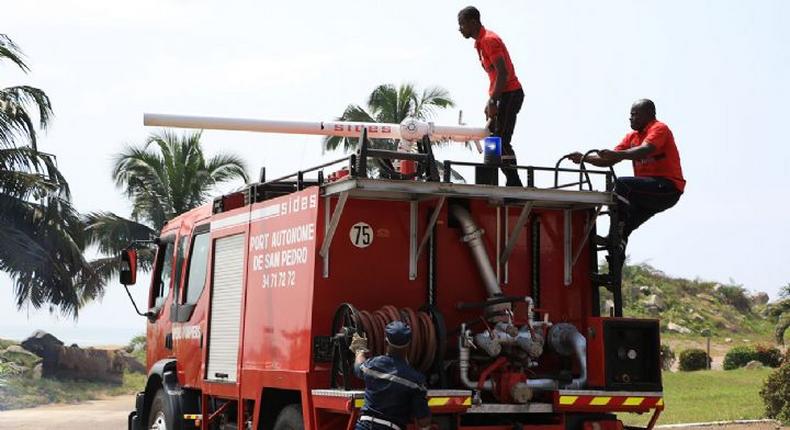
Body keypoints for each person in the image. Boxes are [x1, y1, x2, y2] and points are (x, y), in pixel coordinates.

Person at [568, 99, 685, 259]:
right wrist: (584, 158)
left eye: (635, 114)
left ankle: (614, 232)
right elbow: (609, 160)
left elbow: (645, 150)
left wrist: (618, 155)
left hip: (667, 188)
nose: (631, 118)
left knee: (623, 184)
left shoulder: (659, 129)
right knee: (625, 228)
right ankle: (616, 257)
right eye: (630, 115)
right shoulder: (632, 137)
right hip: (645, 194)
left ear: (649, 115)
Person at [458, 6, 524, 186]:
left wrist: (494, 100)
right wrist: (491, 100)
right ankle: (492, 178)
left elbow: (503, 73)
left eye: (462, 24)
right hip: (501, 94)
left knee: (500, 138)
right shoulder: (479, 43)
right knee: (492, 138)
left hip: (510, 93)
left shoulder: (489, 40)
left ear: (473, 22)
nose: (460, 29)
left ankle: (514, 183)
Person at [349, 321, 431, 430]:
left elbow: (358, 368)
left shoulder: (372, 366)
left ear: (386, 341)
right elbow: (423, 421)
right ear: (409, 343)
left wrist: (359, 349)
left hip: (364, 426)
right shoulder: (415, 381)